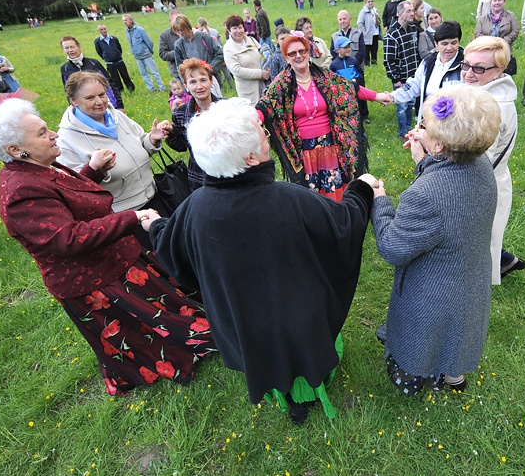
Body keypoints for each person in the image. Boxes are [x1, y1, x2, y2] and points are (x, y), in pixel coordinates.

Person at [148, 98, 374, 424]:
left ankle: (290, 402)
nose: (267, 136)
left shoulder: (195, 208)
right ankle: (305, 397)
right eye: (264, 132)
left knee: (268, 355)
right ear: (253, 157)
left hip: (242, 320)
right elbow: (345, 225)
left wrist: (154, 224)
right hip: (296, 313)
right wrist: (361, 190)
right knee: (301, 353)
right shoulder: (291, 199)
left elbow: (171, 246)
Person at [0, 99, 214, 396]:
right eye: (41, 132)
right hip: (94, 280)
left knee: (167, 310)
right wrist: (132, 217)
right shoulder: (20, 190)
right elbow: (66, 237)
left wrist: (92, 171)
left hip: (114, 259)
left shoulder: (38, 166)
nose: (53, 135)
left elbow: (65, 199)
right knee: (144, 331)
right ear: (14, 149)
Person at [370, 85, 500, 395]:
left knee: (422, 339)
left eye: (423, 126)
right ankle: (453, 376)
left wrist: (380, 199)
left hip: (433, 289)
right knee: (457, 331)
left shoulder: (425, 195)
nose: (416, 130)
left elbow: (393, 247)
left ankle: (413, 376)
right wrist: (423, 162)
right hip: (468, 277)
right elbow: (448, 204)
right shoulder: (481, 165)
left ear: (439, 145)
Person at [257, 31, 390, 201]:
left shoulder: (323, 77)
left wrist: (376, 96)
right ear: (286, 58)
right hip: (304, 151)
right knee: (312, 199)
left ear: (308, 52)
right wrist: (251, 121)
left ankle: (339, 222)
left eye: (302, 51)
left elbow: (348, 89)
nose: (298, 56)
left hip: (330, 146)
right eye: (292, 53)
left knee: (334, 193)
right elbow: (265, 106)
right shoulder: (282, 85)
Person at [56, 72, 173, 248]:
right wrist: (97, 169)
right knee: (158, 261)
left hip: (155, 196)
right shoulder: (66, 138)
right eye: (90, 98)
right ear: (73, 100)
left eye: (102, 94)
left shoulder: (116, 116)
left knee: (176, 249)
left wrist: (152, 139)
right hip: (126, 213)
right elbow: (75, 186)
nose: (99, 102)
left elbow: (140, 143)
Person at [461, 37, 525, 284]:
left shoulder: (493, 108)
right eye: (466, 65)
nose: (468, 73)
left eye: (479, 68)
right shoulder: (480, 94)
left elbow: (475, 163)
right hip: (482, 182)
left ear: (499, 70)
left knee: (477, 255)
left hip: (481, 188)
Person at [390, 21, 464, 121]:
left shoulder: (465, 66)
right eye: (444, 44)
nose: (449, 48)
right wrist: (392, 96)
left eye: (454, 43)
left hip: (454, 126)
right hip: (428, 122)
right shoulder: (428, 63)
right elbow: (414, 86)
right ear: (436, 44)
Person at [166, 59, 219, 191]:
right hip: (200, 175)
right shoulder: (180, 113)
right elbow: (181, 146)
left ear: (211, 81)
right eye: (193, 82)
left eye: (203, 80)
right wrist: (170, 132)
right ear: (186, 86)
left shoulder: (226, 107)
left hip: (227, 169)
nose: (199, 86)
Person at [384, 1, 422, 140]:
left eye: (412, 10)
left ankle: (409, 130)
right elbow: (389, 60)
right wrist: (396, 80)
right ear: (399, 14)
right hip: (401, 78)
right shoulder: (391, 35)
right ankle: (403, 133)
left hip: (414, 75)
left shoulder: (413, 28)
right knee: (402, 107)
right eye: (408, 11)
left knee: (411, 104)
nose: (412, 13)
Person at [60, 36, 124, 111]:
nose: (70, 50)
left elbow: (109, 83)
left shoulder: (93, 63)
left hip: (105, 104)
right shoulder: (65, 69)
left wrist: (119, 106)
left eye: (72, 47)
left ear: (78, 46)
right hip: (85, 110)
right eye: (66, 48)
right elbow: (69, 93)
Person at [172, 15, 225, 95]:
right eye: (178, 31)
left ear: (187, 26)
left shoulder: (204, 37)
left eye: (182, 30)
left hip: (209, 79)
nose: (181, 33)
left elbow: (219, 54)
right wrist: (186, 82)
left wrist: (209, 69)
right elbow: (179, 66)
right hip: (193, 83)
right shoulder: (179, 45)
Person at [222, 14, 269, 105]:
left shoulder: (251, 40)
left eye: (240, 27)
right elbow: (236, 70)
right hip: (248, 91)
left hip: (263, 85)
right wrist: (260, 73)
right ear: (229, 30)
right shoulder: (228, 48)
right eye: (234, 28)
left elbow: (262, 55)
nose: (238, 31)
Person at [330, 36, 369, 122]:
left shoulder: (353, 61)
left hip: (355, 90)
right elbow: (332, 79)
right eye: (345, 47)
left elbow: (360, 73)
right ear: (338, 50)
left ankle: (361, 130)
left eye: (349, 47)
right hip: (343, 93)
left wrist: (356, 80)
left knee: (357, 111)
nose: (348, 49)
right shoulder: (334, 64)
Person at [123, 14, 165, 92]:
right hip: (137, 56)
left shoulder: (140, 30)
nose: (124, 22)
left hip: (146, 55)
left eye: (126, 20)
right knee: (143, 74)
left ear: (131, 21)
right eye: (123, 20)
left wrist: (149, 51)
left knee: (154, 72)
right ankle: (151, 89)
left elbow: (149, 42)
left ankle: (162, 87)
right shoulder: (127, 31)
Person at [94, 24, 136, 93]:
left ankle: (131, 89)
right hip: (110, 63)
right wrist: (106, 57)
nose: (104, 31)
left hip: (119, 61)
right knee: (115, 79)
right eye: (101, 29)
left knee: (125, 76)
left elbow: (119, 48)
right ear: (98, 31)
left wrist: (118, 55)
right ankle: (120, 91)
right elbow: (99, 51)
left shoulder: (114, 39)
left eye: (104, 29)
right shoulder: (97, 41)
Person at [357, 0, 381, 66]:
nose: (370, 3)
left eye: (372, 1)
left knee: (374, 49)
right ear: (365, 2)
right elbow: (360, 23)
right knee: (367, 51)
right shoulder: (363, 12)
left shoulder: (375, 10)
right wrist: (364, 32)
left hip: (375, 33)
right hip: (367, 35)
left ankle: (374, 63)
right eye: (369, 1)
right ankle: (367, 64)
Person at [158, 10, 183, 79]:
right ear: (170, 21)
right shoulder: (164, 35)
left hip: (192, 69)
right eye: (175, 20)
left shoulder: (188, 31)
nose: (177, 22)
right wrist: (178, 52)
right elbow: (163, 54)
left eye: (179, 19)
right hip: (177, 71)